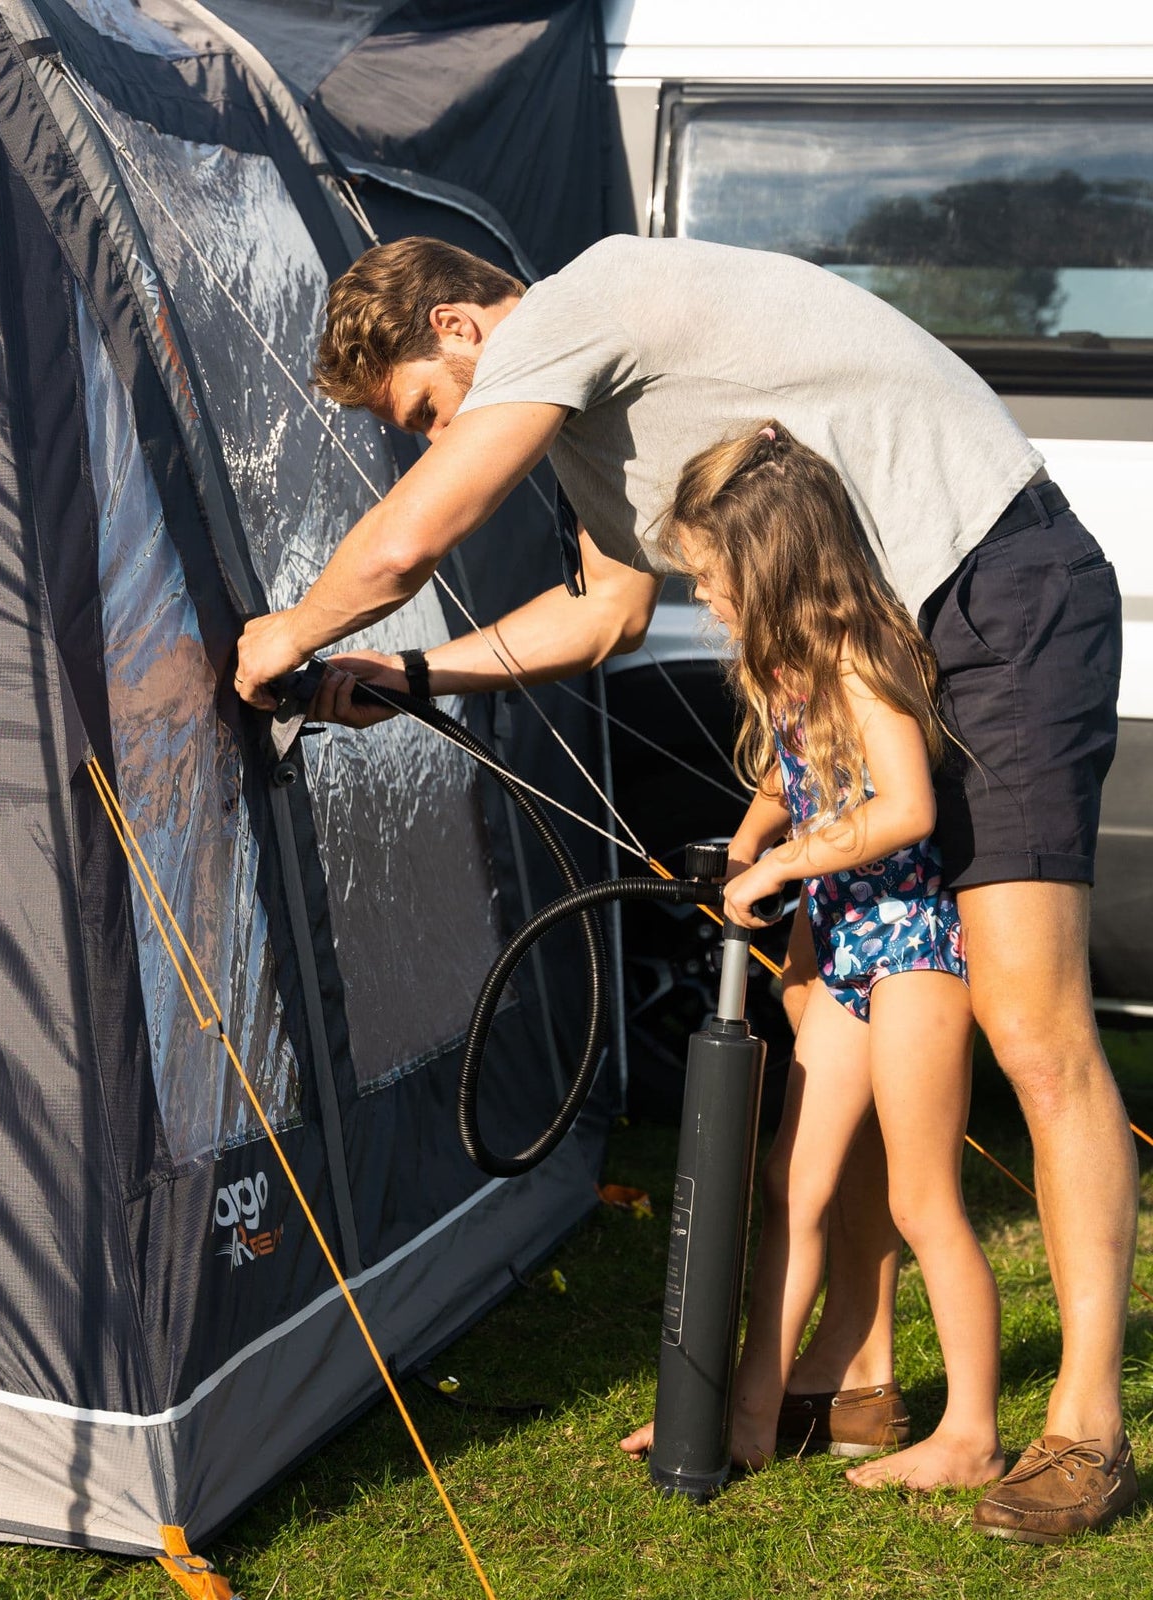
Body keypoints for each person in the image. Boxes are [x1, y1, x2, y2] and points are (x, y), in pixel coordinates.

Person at [234, 235, 1138, 1538]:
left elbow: (419, 532)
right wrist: (408, 679)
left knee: (1032, 1029)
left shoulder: (581, 304)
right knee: (840, 1037)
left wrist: (294, 632)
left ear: (461, 326)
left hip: (998, 592)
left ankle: (1087, 1433)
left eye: (430, 409)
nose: (446, 436)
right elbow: (602, 618)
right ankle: (860, 1375)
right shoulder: (598, 440)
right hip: (880, 644)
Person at [618, 419, 1003, 1489]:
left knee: (925, 1198)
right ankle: (742, 1417)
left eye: (711, 576)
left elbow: (906, 805)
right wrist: (743, 842)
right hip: (843, 955)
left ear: (770, 559)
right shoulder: (788, 668)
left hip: (914, 951)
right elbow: (792, 777)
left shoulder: (860, 657)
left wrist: (788, 862)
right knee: (792, 1178)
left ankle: (971, 1433)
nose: (706, 598)